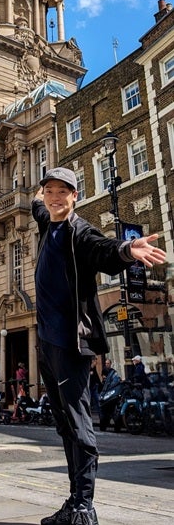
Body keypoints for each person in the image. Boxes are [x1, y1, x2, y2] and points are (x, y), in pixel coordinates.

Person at [32, 167, 166, 525]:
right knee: (63, 424)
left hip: (70, 341)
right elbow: (36, 206)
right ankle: (74, 500)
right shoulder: (47, 220)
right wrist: (34, 195)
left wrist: (127, 248)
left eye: (64, 192)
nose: (56, 197)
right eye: (51, 191)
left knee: (78, 423)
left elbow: (103, 249)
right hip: (46, 341)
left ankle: (84, 506)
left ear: (75, 196)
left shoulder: (78, 231)